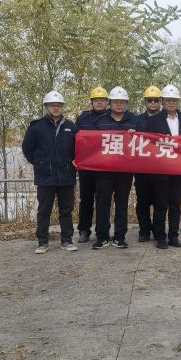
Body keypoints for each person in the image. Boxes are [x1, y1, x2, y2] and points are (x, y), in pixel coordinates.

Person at [22, 91, 78, 254]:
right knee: (44, 210)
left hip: (66, 176)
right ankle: (42, 241)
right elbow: (27, 149)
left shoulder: (71, 127)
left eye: (59, 105)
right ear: (46, 107)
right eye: (52, 105)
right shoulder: (36, 127)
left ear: (62, 107)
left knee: (66, 210)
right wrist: (40, 163)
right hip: (45, 177)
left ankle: (66, 240)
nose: (56, 108)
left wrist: (74, 162)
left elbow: (79, 149)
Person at [91, 86, 143, 250]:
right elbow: (92, 143)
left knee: (121, 203)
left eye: (122, 102)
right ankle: (102, 237)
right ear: (110, 103)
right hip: (104, 170)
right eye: (116, 102)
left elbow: (144, 143)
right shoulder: (100, 121)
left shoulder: (134, 121)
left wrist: (136, 135)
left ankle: (120, 237)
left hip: (124, 171)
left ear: (126, 103)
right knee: (102, 203)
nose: (119, 105)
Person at [144, 84, 181, 249]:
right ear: (162, 101)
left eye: (174, 100)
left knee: (175, 205)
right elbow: (147, 144)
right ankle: (160, 237)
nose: (171, 103)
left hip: (180, 169)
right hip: (161, 170)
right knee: (161, 205)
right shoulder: (153, 120)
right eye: (168, 100)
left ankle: (173, 236)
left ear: (178, 102)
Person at [75, 86, 108, 243]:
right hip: (87, 166)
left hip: (104, 166)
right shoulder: (83, 119)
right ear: (92, 102)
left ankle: (102, 231)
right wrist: (75, 158)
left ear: (107, 102)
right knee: (86, 199)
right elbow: (75, 140)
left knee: (103, 200)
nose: (99, 103)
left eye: (102, 100)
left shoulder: (112, 119)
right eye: (96, 100)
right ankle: (84, 230)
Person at [134, 85, 163, 242]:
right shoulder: (137, 120)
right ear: (145, 102)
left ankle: (158, 232)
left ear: (160, 102)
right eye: (150, 100)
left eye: (156, 100)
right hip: (142, 168)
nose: (153, 103)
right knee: (142, 202)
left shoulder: (166, 119)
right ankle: (144, 230)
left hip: (161, 168)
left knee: (160, 203)